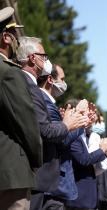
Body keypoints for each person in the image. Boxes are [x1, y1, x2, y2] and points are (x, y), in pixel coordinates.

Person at [16, 36, 88, 210]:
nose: (47, 61)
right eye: (44, 56)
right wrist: (71, 123)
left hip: (43, 180)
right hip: (41, 178)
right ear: (33, 58)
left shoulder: (29, 85)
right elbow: (48, 132)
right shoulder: (28, 85)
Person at [0, 7, 42, 210]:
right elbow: (26, 123)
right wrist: (36, 160)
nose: (18, 40)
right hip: (10, 172)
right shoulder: (8, 73)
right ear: (6, 38)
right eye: (15, 34)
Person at [64, 99, 107, 210]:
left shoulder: (86, 135)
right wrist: (102, 149)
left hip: (90, 199)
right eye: (86, 113)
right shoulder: (72, 136)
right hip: (79, 199)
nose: (90, 117)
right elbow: (84, 160)